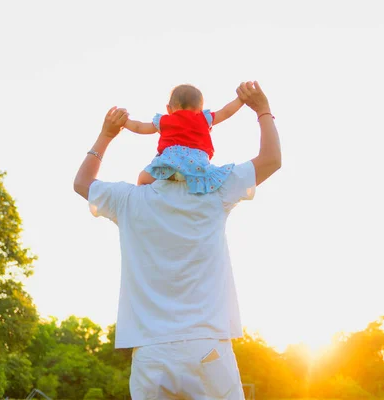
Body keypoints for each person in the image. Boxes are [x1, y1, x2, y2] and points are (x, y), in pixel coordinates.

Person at [73, 81, 281, 400]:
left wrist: (107, 136)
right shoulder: (216, 189)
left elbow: (82, 183)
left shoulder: (129, 201)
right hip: (207, 346)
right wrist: (262, 110)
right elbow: (271, 160)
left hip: (151, 353)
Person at [122, 84, 244, 194]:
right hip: (196, 167)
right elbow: (226, 112)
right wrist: (240, 99)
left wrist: (124, 122)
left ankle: (145, 200)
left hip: (170, 164)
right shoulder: (203, 119)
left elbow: (140, 127)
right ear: (200, 109)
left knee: (142, 178)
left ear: (168, 108)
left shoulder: (165, 120)